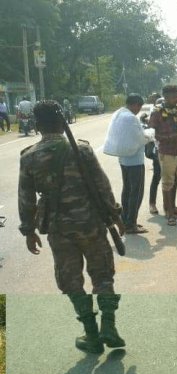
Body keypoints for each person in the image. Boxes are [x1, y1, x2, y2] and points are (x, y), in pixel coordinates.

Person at [18, 100, 127, 354]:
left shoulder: (30, 157)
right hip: (91, 224)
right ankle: (109, 326)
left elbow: (26, 199)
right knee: (102, 275)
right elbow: (102, 186)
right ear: (62, 121)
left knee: (71, 280)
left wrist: (29, 231)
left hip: (59, 229)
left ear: (37, 125)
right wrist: (116, 216)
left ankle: (91, 333)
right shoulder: (82, 150)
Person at [148, 85, 177, 226]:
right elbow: (152, 134)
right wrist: (170, 138)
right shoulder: (157, 112)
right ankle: (169, 214)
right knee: (167, 184)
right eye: (174, 96)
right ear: (166, 97)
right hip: (166, 152)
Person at [106, 94, 149, 234]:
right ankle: (131, 224)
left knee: (127, 190)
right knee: (136, 193)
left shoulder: (119, 113)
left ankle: (125, 219)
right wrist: (150, 136)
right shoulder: (130, 118)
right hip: (135, 160)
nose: (139, 110)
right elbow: (140, 138)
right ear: (136, 104)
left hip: (124, 159)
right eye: (139, 107)